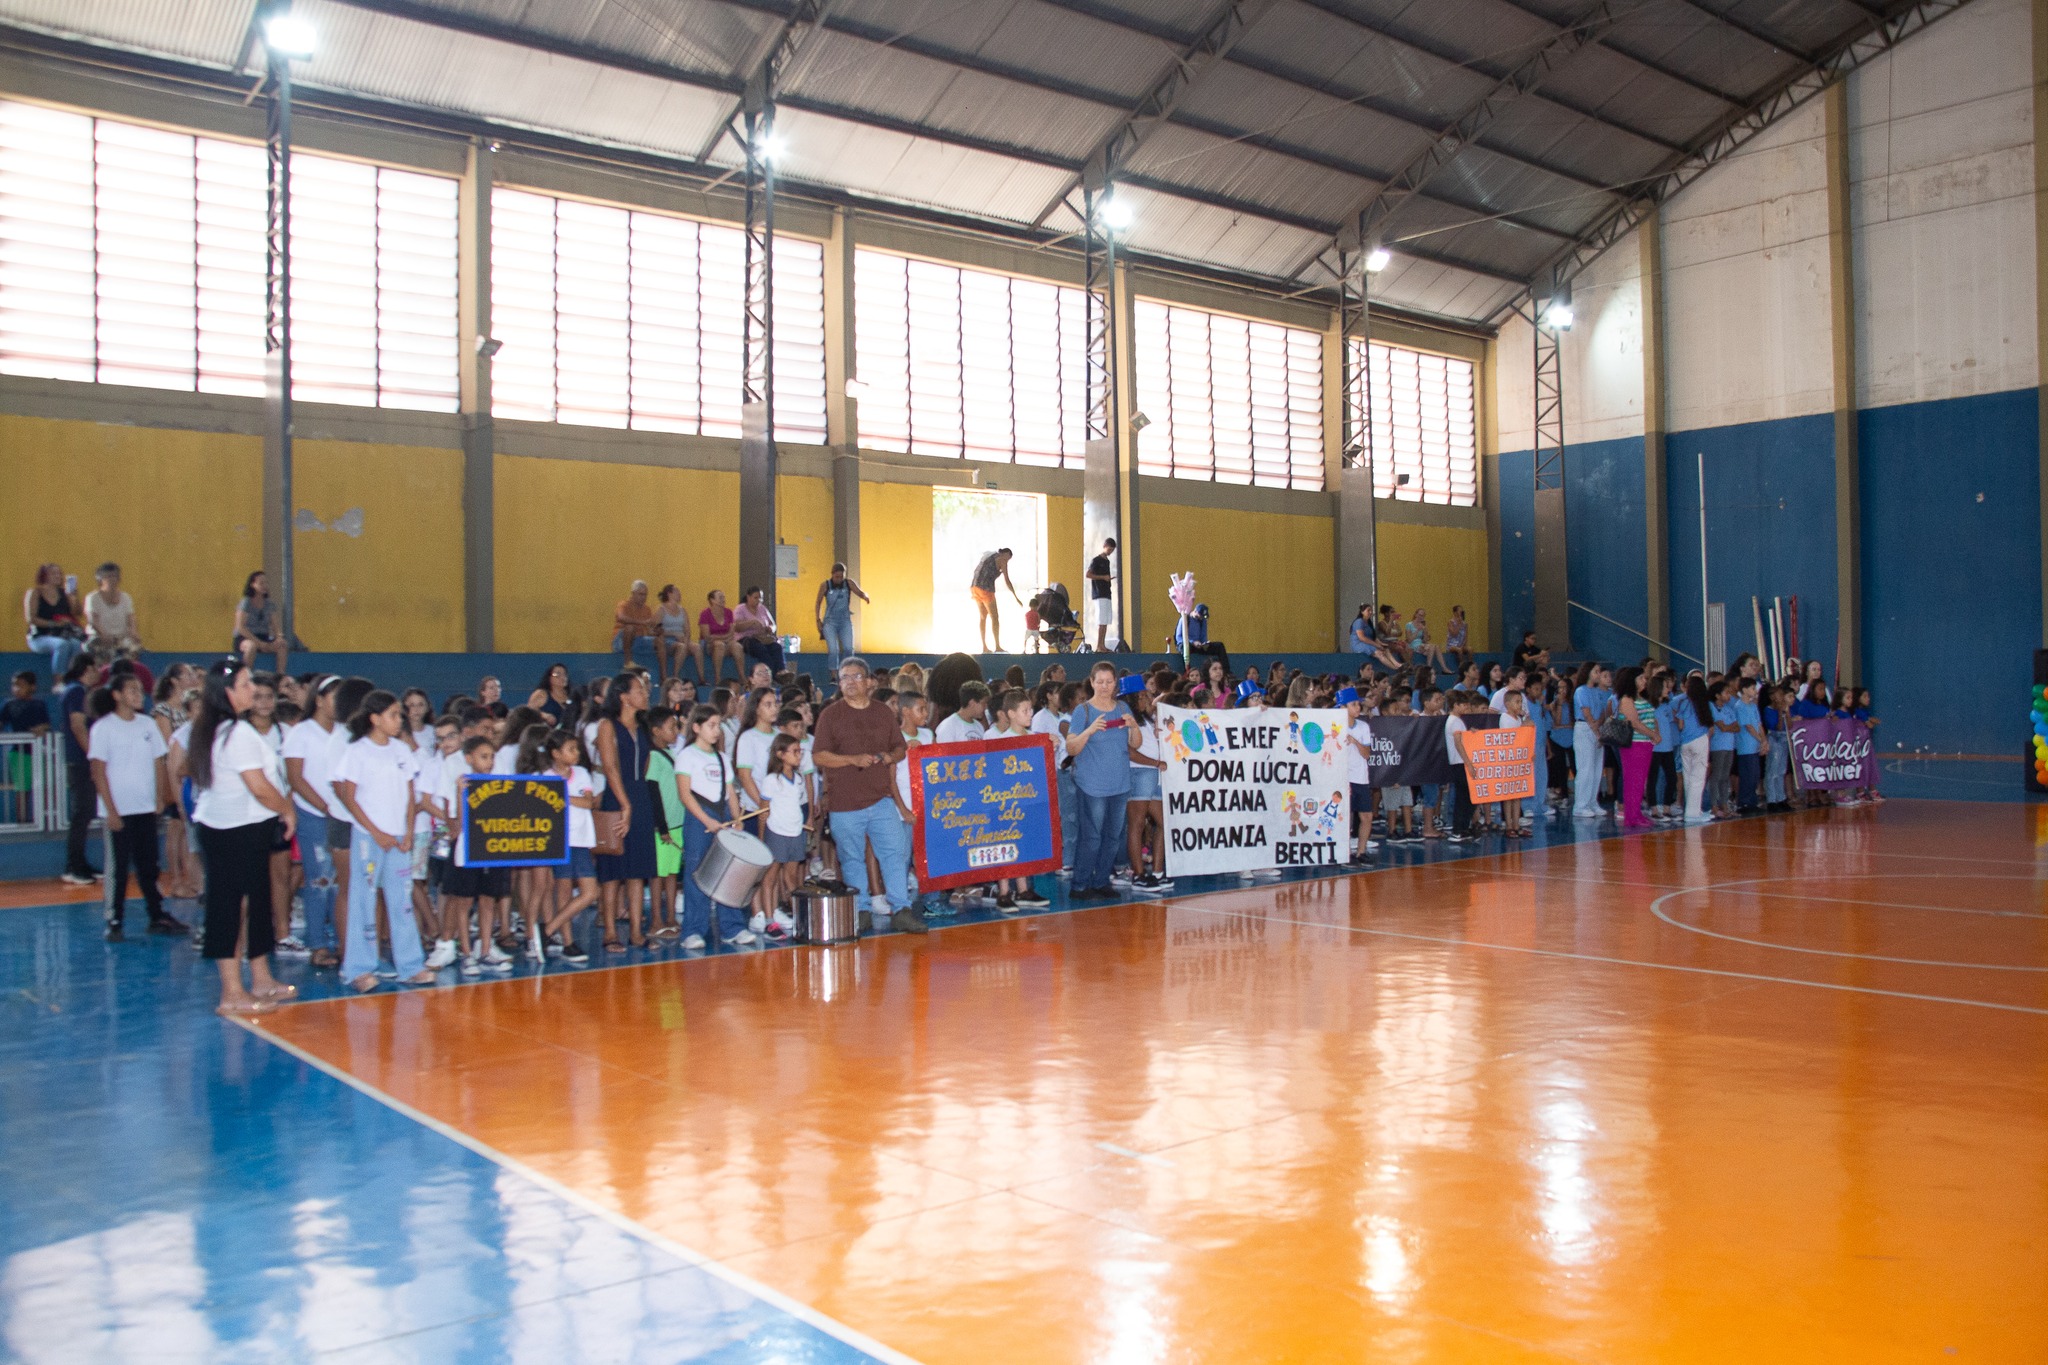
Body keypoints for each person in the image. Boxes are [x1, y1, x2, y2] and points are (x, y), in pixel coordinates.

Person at [187, 661, 297, 1016]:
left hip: (248, 829)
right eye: (246, 683)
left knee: (257, 901)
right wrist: (286, 810)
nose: (253, 689)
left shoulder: (227, 729)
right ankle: (232, 991)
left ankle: (262, 978)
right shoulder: (235, 733)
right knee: (229, 907)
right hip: (231, 832)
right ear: (229, 692)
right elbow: (260, 787)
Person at [332, 690, 433, 993]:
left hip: (400, 837)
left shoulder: (402, 751)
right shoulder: (357, 752)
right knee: (362, 900)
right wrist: (375, 832)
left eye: (399, 715)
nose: (398, 720)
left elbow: (410, 795)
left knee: (401, 902)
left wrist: (409, 832)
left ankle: (411, 965)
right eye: (392, 714)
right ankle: (358, 968)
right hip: (369, 838)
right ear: (374, 719)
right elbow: (349, 798)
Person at [813, 657, 921, 934]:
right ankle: (861, 909)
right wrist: (852, 760)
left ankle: (901, 908)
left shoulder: (883, 713)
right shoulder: (830, 715)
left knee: (895, 854)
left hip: (881, 798)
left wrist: (888, 757)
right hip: (845, 802)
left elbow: (900, 748)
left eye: (855, 676)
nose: (849, 682)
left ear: (869, 681)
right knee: (851, 858)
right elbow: (819, 755)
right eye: (844, 677)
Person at [88, 668, 182, 940]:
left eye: (140, 690)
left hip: (144, 808)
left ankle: (157, 914)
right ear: (116, 695)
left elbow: (158, 762)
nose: (138, 695)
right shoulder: (103, 727)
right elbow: (98, 771)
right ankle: (114, 919)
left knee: (148, 865)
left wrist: (159, 798)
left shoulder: (147, 725)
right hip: (120, 810)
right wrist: (111, 810)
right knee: (118, 867)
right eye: (132, 690)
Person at [675, 703, 750, 950]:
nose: (717, 731)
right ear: (696, 727)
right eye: (711, 725)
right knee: (697, 873)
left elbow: (731, 791)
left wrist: (737, 817)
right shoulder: (687, 755)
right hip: (700, 818)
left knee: (729, 872)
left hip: (723, 814)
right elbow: (685, 794)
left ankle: (733, 927)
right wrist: (707, 821)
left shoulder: (722, 758)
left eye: (718, 725)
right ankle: (693, 930)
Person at [593, 671, 657, 950]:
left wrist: (638, 800)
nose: (645, 694)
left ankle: (636, 932)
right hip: (617, 798)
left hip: (639, 797)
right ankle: (609, 932)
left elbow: (644, 766)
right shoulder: (607, 726)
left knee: (637, 869)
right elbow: (609, 767)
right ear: (624, 697)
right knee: (613, 869)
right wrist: (625, 803)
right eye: (639, 690)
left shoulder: (642, 728)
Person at [1066, 662, 1138, 900]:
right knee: (1092, 837)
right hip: (1092, 785)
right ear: (1092, 682)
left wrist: (1134, 725)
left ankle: (1101, 880)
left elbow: (1135, 743)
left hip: (1119, 784)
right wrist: (1089, 731)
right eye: (1100, 682)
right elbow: (1071, 748)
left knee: (1113, 837)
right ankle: (1080, 884)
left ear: (1115, 683)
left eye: (1109, 682)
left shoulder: (1123, 707)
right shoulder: (1083, 711)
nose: (1105, 686)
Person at [537, 729, 599, 963]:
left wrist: (560, 795)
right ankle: (568, 942)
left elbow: (588, 802)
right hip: (560, 840)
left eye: (576, 748)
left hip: (581, 840)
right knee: (562, 891)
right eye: (570, 749)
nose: (576, 753)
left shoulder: (581, 773)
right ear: (555, 753)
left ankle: (547, 929)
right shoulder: (546, 777)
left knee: (590, 892)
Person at [58, 654, 103, 885]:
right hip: (80, 761)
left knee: (84, 814)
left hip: (79, 760)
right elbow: (78, 726)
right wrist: (92, 756)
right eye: (96, 667)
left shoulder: (74, 690)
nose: (98, 671)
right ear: (87, 668)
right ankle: (73, 866)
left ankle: (79, 863)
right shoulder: (76, 692)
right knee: (82, 813)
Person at [1123, 687, 1169, 892]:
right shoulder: (1127, 721)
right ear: (1131, 700)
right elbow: (1129, 752)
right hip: (1139, 772)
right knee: (1137, 823)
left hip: (1154, 774)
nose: (1145, 700)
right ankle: (1138, 875)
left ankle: (1157, 872)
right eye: (1140, 696)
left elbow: (1163, 698)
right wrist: (1155, 762)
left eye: (1145, 696)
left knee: (1163, 823)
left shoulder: (1149, 720)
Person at [1612, 666, 1658, 830]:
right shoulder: (1626, 699)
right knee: (1633, 780)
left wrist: (1653, 735)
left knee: (1639, 781)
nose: (1644, 681)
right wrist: (1652, 734)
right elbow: (1634, 723)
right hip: (1634, 744)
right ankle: (1630, 816)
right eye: (1641, 678)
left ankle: (1636, 813)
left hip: (1644, 743)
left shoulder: (1641, 697)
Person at [24, 563, 82, 683]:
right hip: (40, 636)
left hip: (62, 633)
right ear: (44, 575)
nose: (58, 576)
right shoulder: (35, 593)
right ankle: (58, 681)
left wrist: (74, 597)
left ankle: (74, 679)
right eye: (53, 573)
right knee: (62, 645)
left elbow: (77, 613)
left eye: (59, 573)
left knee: (76, 644)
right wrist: (53, 624)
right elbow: (31, 619)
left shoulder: (64, 593)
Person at [1570, 662, 1613, 820]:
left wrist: (1600, 728)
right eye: (1596, 671)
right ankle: (1580, 805)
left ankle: (1592, 801)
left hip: (1597, 729)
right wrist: (1596, 732)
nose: (1598, 674)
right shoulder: (1581, 691)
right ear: (1588, 673)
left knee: (1596, 769)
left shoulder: (1596, 691)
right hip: (1584, 729)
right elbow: (1586, 713)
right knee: (1586, 768)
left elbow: (1603, 710)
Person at [814, 563, 870, 674]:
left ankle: (848, 672)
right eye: (837, 577)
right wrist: (818, 620)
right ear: (832, 575)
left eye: (841, 577)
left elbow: (859, 592)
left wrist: (865, 596)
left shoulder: (848, 583)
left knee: (849, 648)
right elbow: (818, 603)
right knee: (834, 650)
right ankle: (834, 675)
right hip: (830, 622)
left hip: (845, 621)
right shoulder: (825, 585)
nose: (839, 580)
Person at [82, 562, 143, 661]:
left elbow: (131, 618)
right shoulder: (92, 598)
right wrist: (103, 634)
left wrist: (134, 631)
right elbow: (92, 620)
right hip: (100, 637)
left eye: (115, 576)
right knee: (94, 648)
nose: (112, 579)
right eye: (108, 576)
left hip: (121, 637)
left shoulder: (126, 597)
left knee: (134, 648)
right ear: (100, 579)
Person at [232, 571, 289, 673]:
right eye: (261, 583)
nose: (264, 586)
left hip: (263, 636)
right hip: (245, 637)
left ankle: (280, 675)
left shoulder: (269, 604)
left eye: (266, 583)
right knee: (251, 647)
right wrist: (259, 643)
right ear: (252, 585)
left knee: (282, 645)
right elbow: (240, 627)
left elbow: (275, 626)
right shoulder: (246, 602)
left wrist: (279, 637)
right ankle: (247, 674)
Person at [970, 547, 1024, 652]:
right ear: (1005, 554)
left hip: (975, 587)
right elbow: (1007, 581)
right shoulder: (1002, 561)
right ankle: (997, 646)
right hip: (986, 589)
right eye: (1008, 557)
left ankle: (984, 647)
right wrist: (1016, 597)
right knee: (995, 617)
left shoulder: (990, 555)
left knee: (982, 617)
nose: (1007, 560)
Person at [1676, 676, 1714, 824]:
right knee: (1698, 778)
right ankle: (1693, 813)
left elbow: (1680, 725)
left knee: (1687, 776)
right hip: (1700, 740)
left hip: (1685, 742)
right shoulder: (1705, 704)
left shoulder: (1683, 703)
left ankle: (1690, 811)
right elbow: (1710, 726)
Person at [653, 585, 700, 685]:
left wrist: (687, 641)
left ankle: (702, 678)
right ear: (669, 594)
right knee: (681, 647)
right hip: (667, 639)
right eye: (677, 591)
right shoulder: (661, 609)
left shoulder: (682, 610)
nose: (679, 594)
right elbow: (656, 629)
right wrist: (674, 634)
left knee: (697, 648)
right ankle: (675, 676)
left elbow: (687, 630)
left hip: (681, 638)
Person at [732, 587, 786, 674]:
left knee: (777, 647)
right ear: (748, 597)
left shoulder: (763, 609)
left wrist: (770, 628)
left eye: (760, 598)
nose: (759, 600)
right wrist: (752, 623)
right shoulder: (740, 609)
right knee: (761, 649)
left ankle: (781, 672)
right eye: (756, 598)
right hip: (747, 640)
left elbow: (773, 624)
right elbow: (737, 627)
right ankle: (770, 673)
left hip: (763, 639)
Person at [699, 589, 739, 683]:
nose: (723, 599)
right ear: (712, 600)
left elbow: (732, 632)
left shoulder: (729, 612)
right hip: (709, 645)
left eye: (724, 597)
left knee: (737, 646)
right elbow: (707, 636)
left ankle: (742, 677)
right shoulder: (705, 614)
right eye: (720, 597)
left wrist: (718, 637)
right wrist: (724, 638)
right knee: (719, 645)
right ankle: (717, 677)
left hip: (726, 642)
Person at [1085, 538, 1116, 651]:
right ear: (1104, 546)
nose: (1110, 552)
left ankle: (1102, 643)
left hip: (1106, 592)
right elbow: (1088, 574)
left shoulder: (1106, 561)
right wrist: (1103, 577)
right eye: (1109, 549)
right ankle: (1099, 645)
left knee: (1106, 620)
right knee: (1101, 620)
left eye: (1112, 550)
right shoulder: (1096, 560)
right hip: (1099, 593)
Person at [1443, 605, 1470, 676]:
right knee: (1459, 650)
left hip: (1461, 644)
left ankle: (1470, 666)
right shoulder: (1450, 622)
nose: (1461, 612)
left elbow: (1465, 636)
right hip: (1452, 645)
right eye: (1459, 611)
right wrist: (1458, 624)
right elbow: (1454, 634)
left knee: (1470, 649)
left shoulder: (1465, 624)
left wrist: (1463, 644)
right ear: (1455, 612)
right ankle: (1462, 666)